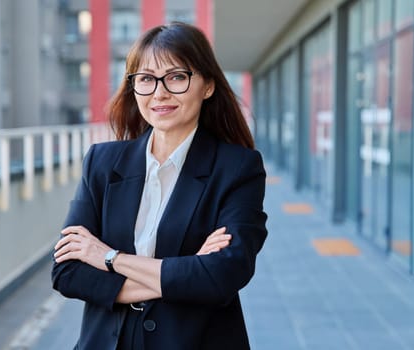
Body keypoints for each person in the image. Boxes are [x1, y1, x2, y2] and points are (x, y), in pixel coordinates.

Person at [52, 22, 268, 350]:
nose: (159, 92)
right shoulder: (102, 162)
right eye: (146, 79)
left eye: (177, 77)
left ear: (207, 86)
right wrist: (187, 273)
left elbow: (223, 276)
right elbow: (67, 271)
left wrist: (108, 257)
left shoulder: (237, 168)